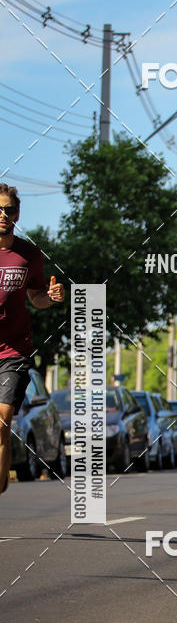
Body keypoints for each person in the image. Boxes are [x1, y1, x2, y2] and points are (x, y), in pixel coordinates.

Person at [0, 184, 64, 493]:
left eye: (8, 210)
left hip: (13, 350)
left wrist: (51, 297)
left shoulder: (29, 254)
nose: (3, 215)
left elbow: (36, 296)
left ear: (17, 214)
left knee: (3, 418)